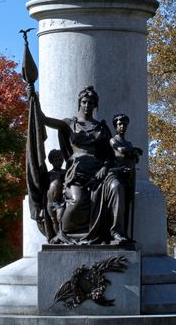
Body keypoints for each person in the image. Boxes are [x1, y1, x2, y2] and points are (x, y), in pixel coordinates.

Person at [28, 85, 129, 244]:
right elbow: (43, 119)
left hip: (99, 173)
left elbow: (110, 156)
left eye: (90, 102)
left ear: (95, 105)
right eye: (84, 102)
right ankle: (64, 233)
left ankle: (116, 232)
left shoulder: (102, 128)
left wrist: (104, 168)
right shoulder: (69, 124)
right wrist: (33, 97)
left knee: (116, 187)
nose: (87, 105)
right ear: (79, 103)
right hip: (77, 172)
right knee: (77, 201)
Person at [109, 113, 143, 240]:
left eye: (124, 124)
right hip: (116, 175)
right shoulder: (113, 140)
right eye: (119, 124)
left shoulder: (129, 143)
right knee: (119, 202)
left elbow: (135, 159)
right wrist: (134, 150)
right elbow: (120, 150)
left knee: (128, 205)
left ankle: (125, 233)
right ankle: (115, 231)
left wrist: (134, 154)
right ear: (115, 126)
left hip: (129, 176)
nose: (122, 126)